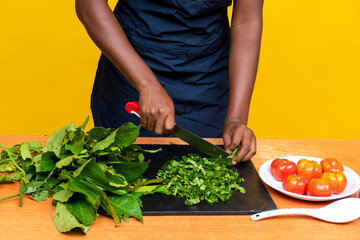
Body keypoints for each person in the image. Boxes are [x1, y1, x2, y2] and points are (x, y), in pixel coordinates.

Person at [75, 0, 263, 165]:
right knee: (125, 175)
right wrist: (146, 84)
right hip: (132, 64)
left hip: (208, 76)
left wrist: (236, 118)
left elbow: (247, 20)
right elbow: (88, 4)